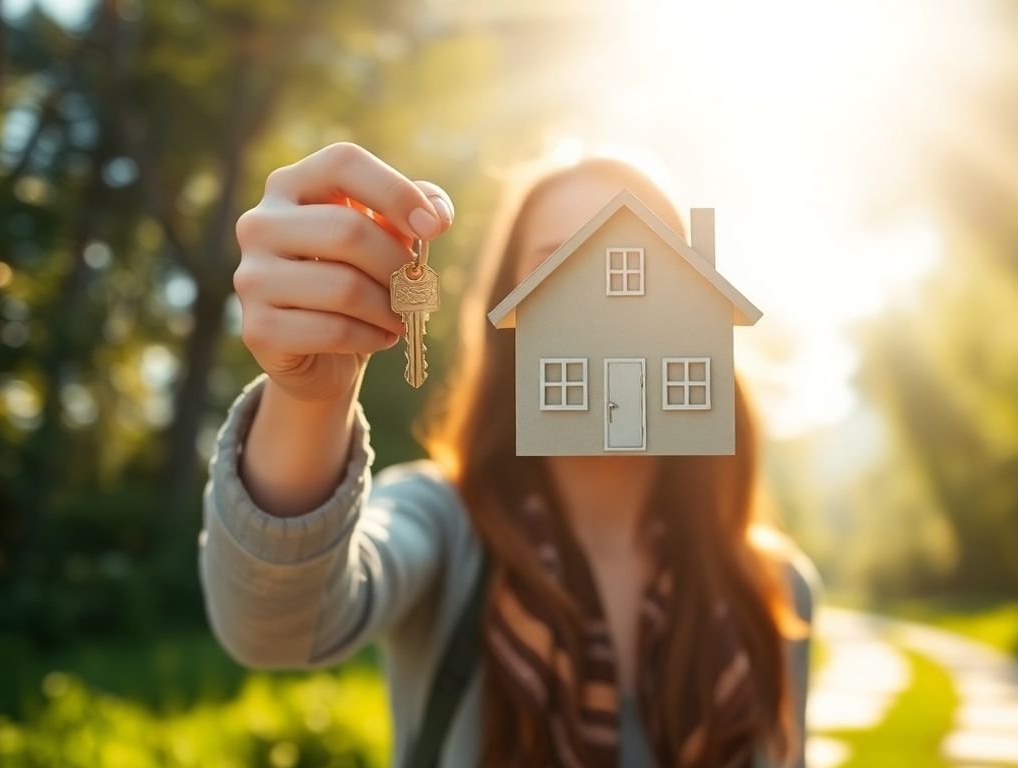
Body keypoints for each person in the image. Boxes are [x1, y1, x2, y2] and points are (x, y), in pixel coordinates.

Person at [198, 141, 818, 767]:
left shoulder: (776, 590)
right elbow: (273, 627)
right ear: (509, 326)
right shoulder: (443, 525)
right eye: (556, 270)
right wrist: (310, 398)